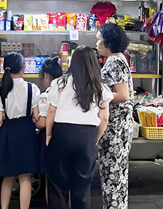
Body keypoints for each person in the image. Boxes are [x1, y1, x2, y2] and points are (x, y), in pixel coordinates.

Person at [45, 46, 112, 209]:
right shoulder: (100, 87)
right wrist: (94, 138)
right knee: (81, 188)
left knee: (57, 185)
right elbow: (104, 118)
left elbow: (51, 111)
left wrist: (48, 134)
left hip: (62, 134)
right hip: (87, 135)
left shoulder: (59, 83)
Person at [0, 52, 40, 209]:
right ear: (23, 68)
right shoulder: (32, 88)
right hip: (27, 132)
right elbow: (37, 115)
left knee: (7, 177)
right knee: (25, 177)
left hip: (8, 134)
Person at [95, 23, 133, 209]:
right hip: (117, 127)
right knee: (115, 177)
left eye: (99, 39)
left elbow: (123, 95)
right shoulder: (116, 59)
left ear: (108, 42)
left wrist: (101, 96)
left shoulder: (115, 62)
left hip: (116, 129)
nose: (97, 43)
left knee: (113, 177)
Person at [35, 56, 64, 202]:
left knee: (51, 182)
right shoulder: (67, 90)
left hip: (50, 139)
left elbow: (42, 123)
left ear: (46, 75)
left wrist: (34, 119)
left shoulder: (46, 95)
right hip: (65, 137)